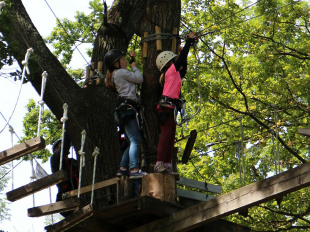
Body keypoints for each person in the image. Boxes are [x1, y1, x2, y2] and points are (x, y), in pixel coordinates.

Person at [155, 31, 197, 174]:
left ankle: (166, 164)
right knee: (166, 136)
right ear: (169, 63)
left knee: (171, 137)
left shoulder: (176, 74)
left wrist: (183, 49)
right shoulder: (169, 72)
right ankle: (159, 163)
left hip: (171, 107)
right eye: (174, 60)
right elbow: (181, 60)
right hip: (165, 107)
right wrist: (188, 42)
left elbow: (183, 67)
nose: (176, 62)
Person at [104, 49, 146, 179]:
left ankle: (123, 167)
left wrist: (132, 60)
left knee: (131, 141)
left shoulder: (116, 74)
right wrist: (134, 67)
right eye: (123, 59)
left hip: (123, 111)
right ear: (116, 64)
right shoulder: (121, 72)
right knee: (136, 140)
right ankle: (134, 169)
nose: (126, 61)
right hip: (127, 110)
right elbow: (139, 79)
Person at [50, 132, 79, 217]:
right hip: (65, 195)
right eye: (60, 144)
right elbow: (65, 146)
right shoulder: (55, 158)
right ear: (55, 149)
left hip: (78, 191)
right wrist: (68, 129)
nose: (62, 145)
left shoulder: (72, 161)